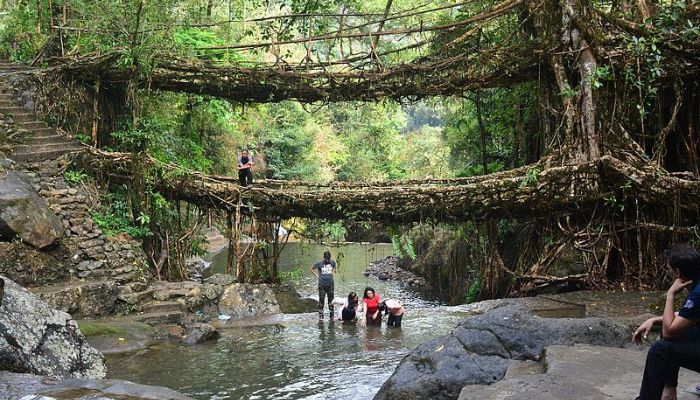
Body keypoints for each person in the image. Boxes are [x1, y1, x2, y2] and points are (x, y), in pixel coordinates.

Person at [634, 243, 700, 400]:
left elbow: (669, 332)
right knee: (670, 332)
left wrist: (670, 294)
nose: (668, 272)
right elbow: (687, 315)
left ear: (678, 272)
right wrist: (655, 319)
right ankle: (669, 393)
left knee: (660, 349)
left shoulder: (698, 293)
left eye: (669, 270)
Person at [310, 251, 336, 320]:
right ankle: (321, 316)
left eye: (328, 259)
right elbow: (311, 268)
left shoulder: (332, 262)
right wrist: (317, 276)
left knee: (331, 300)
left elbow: (334, 268)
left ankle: (332, 316)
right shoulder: (319, 263)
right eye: (326, 259)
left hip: (330, 284)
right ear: (323, 257)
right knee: (321, 300)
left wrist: (333, 273)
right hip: (322, 285)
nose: (327, 260)